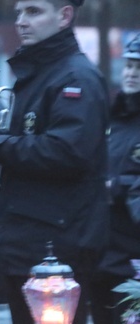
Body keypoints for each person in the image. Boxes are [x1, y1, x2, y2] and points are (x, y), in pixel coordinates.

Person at [0, 0, 110, 324]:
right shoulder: (41, 73)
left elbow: (67, 152)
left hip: (55, 246)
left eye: (34, 11)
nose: (21, 21)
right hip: (30, 240)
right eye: (19, 12)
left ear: (64, 16)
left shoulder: (75, 77)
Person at [90, 33, 140, 324]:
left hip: (133, 258)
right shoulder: (113, 117)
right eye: (130, 66)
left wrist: (117, 187)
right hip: (103, 253)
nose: (132, 74)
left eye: (139, 68)